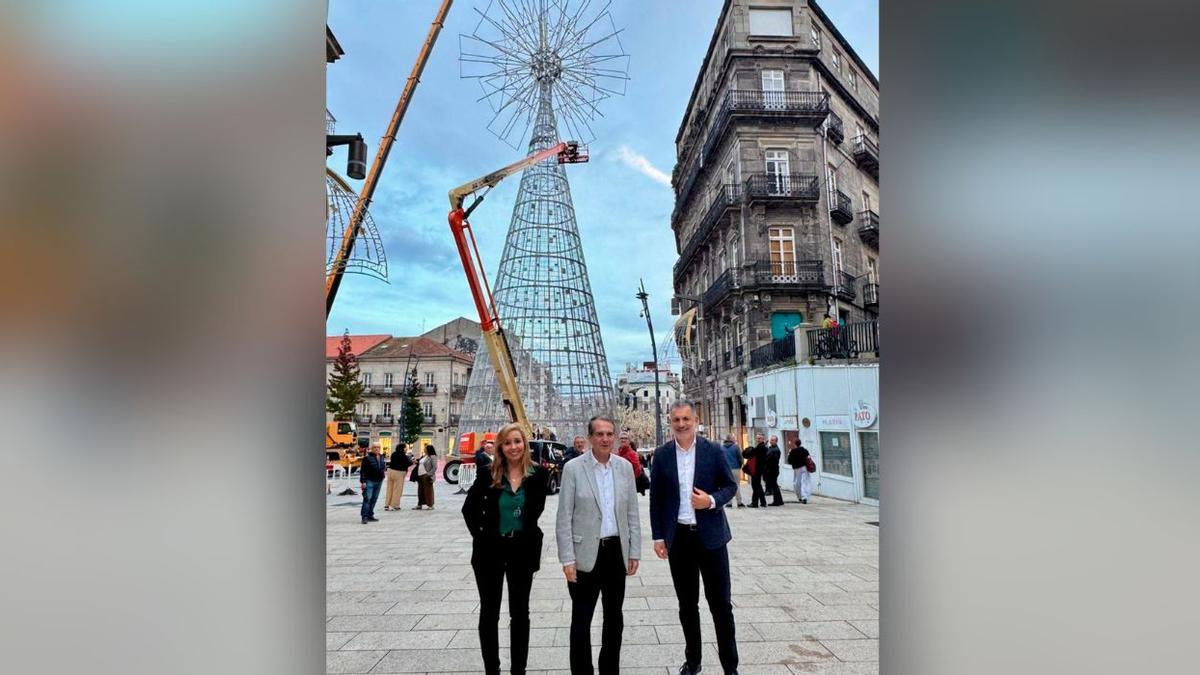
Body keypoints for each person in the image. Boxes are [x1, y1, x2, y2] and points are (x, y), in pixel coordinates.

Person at [649, 401, 740, 675]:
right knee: (687, 605)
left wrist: (710, 500)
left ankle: (730, 667)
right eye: (676, 419)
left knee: (721, 605)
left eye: (686, 418)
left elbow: (730, 486)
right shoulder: (662, 455)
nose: (681, 424)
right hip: (679, 539)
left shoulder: (713, 450)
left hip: (712, 538)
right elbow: (656, 499)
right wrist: (658, 536)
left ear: (695, 420)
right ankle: (693, 661)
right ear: (670, 422)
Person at [462, 423, 550, 675]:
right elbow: (468, 510)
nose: (513, 447)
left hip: (522, 550)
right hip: (490, 551)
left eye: (517, 441)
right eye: (508, 443)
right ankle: (492, 669)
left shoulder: (538, 475)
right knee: (489, 612)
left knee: (520, 613)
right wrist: (482, 537)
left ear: (525, 444)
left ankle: (518, 669)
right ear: (501, 447)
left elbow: (535, 513)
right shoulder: (487, 473)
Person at [556, 415, 640, 675]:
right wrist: (567, 559)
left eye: (609, 434)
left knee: (614, 619)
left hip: (615, 551)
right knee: (581, 620)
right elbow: (563, 517)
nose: (605, 439)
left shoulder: (624, 468)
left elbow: (632, 513)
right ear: (590, 437)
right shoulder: (573, 468)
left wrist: (634, 550)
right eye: (600, 434)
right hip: (584, 555)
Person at [359, 444, 387, 524]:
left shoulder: (381, 457)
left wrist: (383, 475)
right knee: (367, 499)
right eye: (375, 447)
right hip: (369, 481)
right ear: (371, 448)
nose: (376, 449)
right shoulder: (367, 458)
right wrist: (363, 481)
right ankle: (364, 516)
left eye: (378, 447)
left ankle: (370, 515)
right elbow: (363, 471)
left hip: (379, 481)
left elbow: (382, 467)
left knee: (374, 499)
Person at [384, 442, 413, 511]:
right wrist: (413, 462)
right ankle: (395, 505)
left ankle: (387, 505)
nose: (406, 449)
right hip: (399, 473)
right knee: (397, 490)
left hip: (390, 472)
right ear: (403, 448)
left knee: (389, 489)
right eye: (406, 448)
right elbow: (407, 463)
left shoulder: (393, 454)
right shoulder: (403, 455)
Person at [616, 431, 646, 496]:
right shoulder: (617, 453)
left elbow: (637, 471)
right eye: (621, 438)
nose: (623, 440)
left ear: (629, 441)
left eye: (625, 438)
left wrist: (629, 483)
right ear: (619, 440)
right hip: (618, 487)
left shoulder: (632, 454)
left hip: (628, 487)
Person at [742, 434, 768, 508]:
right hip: (758, 469)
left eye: (760, 438)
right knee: (758, 486)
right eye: (757, 438)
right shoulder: (761, 447)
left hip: (756, 469)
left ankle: (755, 503)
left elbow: (750, 453)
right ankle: (763, 502)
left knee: (755, 486)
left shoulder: (761, 447)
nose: (758, 440)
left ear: (763, 439)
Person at [721, 434, 746, 508]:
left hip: (726, 469)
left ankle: (729, 503)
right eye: (734, 438)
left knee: (728, 485)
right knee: (736, 485)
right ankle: (739, 502)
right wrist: (739, 466)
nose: (735, 439)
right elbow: (740, 458)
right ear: (731, 439)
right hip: (735, 468)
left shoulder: (722, 448)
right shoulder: (736, 447)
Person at [787, 439, 812, 504]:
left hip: (797, 469)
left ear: (795, 444)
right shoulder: (805, 450)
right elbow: (809, 458)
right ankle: (805, 497)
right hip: (804, 468)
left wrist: (789, 454)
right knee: (805, 482)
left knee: (797, 483)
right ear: (800, 443)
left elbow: (789, 461)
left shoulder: (792, 451)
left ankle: (800, 497)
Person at [413, 445, 437, 510]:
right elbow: (420, 463)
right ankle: (419, 504)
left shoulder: (432, 457)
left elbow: (434, 467)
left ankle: (430, 505)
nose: (424, 449)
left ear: (428, 449)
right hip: (420, 475)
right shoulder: (424, 456)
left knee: (428, 490)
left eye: (425, 448)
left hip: (426, 475)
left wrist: (429, 474)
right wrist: (416, 462)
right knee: (420, 490)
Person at [765, 435, 785, 507]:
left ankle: (777, 501)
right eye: (771, 440)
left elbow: (774, 461)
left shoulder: (776, 450)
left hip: (773, 470)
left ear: (776, 441)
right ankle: (779, 501)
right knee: (774, 485)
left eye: (773, 440)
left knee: (774, 486)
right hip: (771, 469)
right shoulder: (771, 448)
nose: (771, 441)